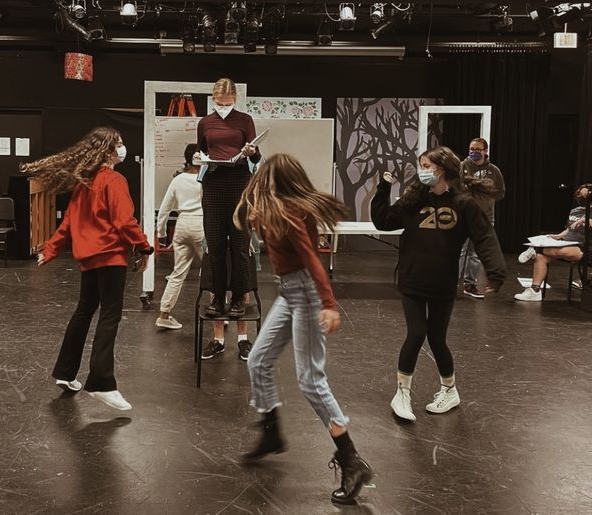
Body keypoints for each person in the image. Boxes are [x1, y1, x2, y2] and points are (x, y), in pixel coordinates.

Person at [236, 154, 372, 506]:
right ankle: (271, 432)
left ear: (274, 181)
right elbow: (241, 219)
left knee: (311, 380)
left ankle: (351, 460)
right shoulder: (278, 210)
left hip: (308, 292)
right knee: (259, 360)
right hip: (288, 292)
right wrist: (256, 221)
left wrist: (328, 303)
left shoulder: (290, 213)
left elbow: (312, 258)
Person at [371, 146, 506, 422]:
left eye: (426, 165)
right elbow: (383, 221)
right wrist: (383, 188)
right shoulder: (413, 200)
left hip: (442, 283)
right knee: (416, 333)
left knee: (437, 338)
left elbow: (484, 237)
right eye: (421, 164)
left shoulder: (464, 203)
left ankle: (450, 390)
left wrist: (495, 271)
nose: (422, 169)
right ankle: (402, 393)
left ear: (441, 169)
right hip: (412, 280)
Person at [23, 127, 153, 411]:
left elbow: (68, 223)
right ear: (108, 150)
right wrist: (145, 247)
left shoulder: (85, 183)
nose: (122, 148)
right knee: (109, 317)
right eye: (119, 144)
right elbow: (124, 222)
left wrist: (50, 250)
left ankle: (65, 373)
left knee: (84, 312)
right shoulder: (114, 181)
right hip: (110, 259)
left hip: (89, 260)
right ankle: (102, 383)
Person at [196, 77, 261, 318]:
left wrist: (252, 152)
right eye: (218, 102)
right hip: (213, 183)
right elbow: (200, 149)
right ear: (213, 99)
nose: (222, 107)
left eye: (226, 102)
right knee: (215, 245)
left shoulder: (245, 120)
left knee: (240, 245)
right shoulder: (205, 122)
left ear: (235, 99)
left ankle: (238, 299)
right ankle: (217, 297)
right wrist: (198, 158)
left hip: (239, 184)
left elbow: (255, 158)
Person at [155, 144, 204, 330]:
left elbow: (165, 209)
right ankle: (220, 314)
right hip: (201, 225)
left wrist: (161, 234)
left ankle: (164, 314)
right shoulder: (206, 178)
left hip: (182, 225)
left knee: (177, 273)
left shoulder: (178, 180)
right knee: (214, 272)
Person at [514, 183, 591, 302]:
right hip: (566, 242)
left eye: (584, 195)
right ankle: (535, 291)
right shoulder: (575, 211)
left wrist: (584, 220)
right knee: (541, 257)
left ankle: (535, 249)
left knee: (552, 250)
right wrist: (558, 236)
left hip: (582, 248)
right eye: (579, 194)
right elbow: (569, 229)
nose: (581, 197)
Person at [458, 137, 506, 299]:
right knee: (460, 250)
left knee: (475, 253)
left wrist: (485, 197)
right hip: (464, 216)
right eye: (472, 149)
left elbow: (500, 193)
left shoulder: (494, 170)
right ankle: (451, 283)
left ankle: (469, 284)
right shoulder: (462, 167)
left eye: (478, 149)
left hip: (485, 217)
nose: (474, 152)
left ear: (485, 151)